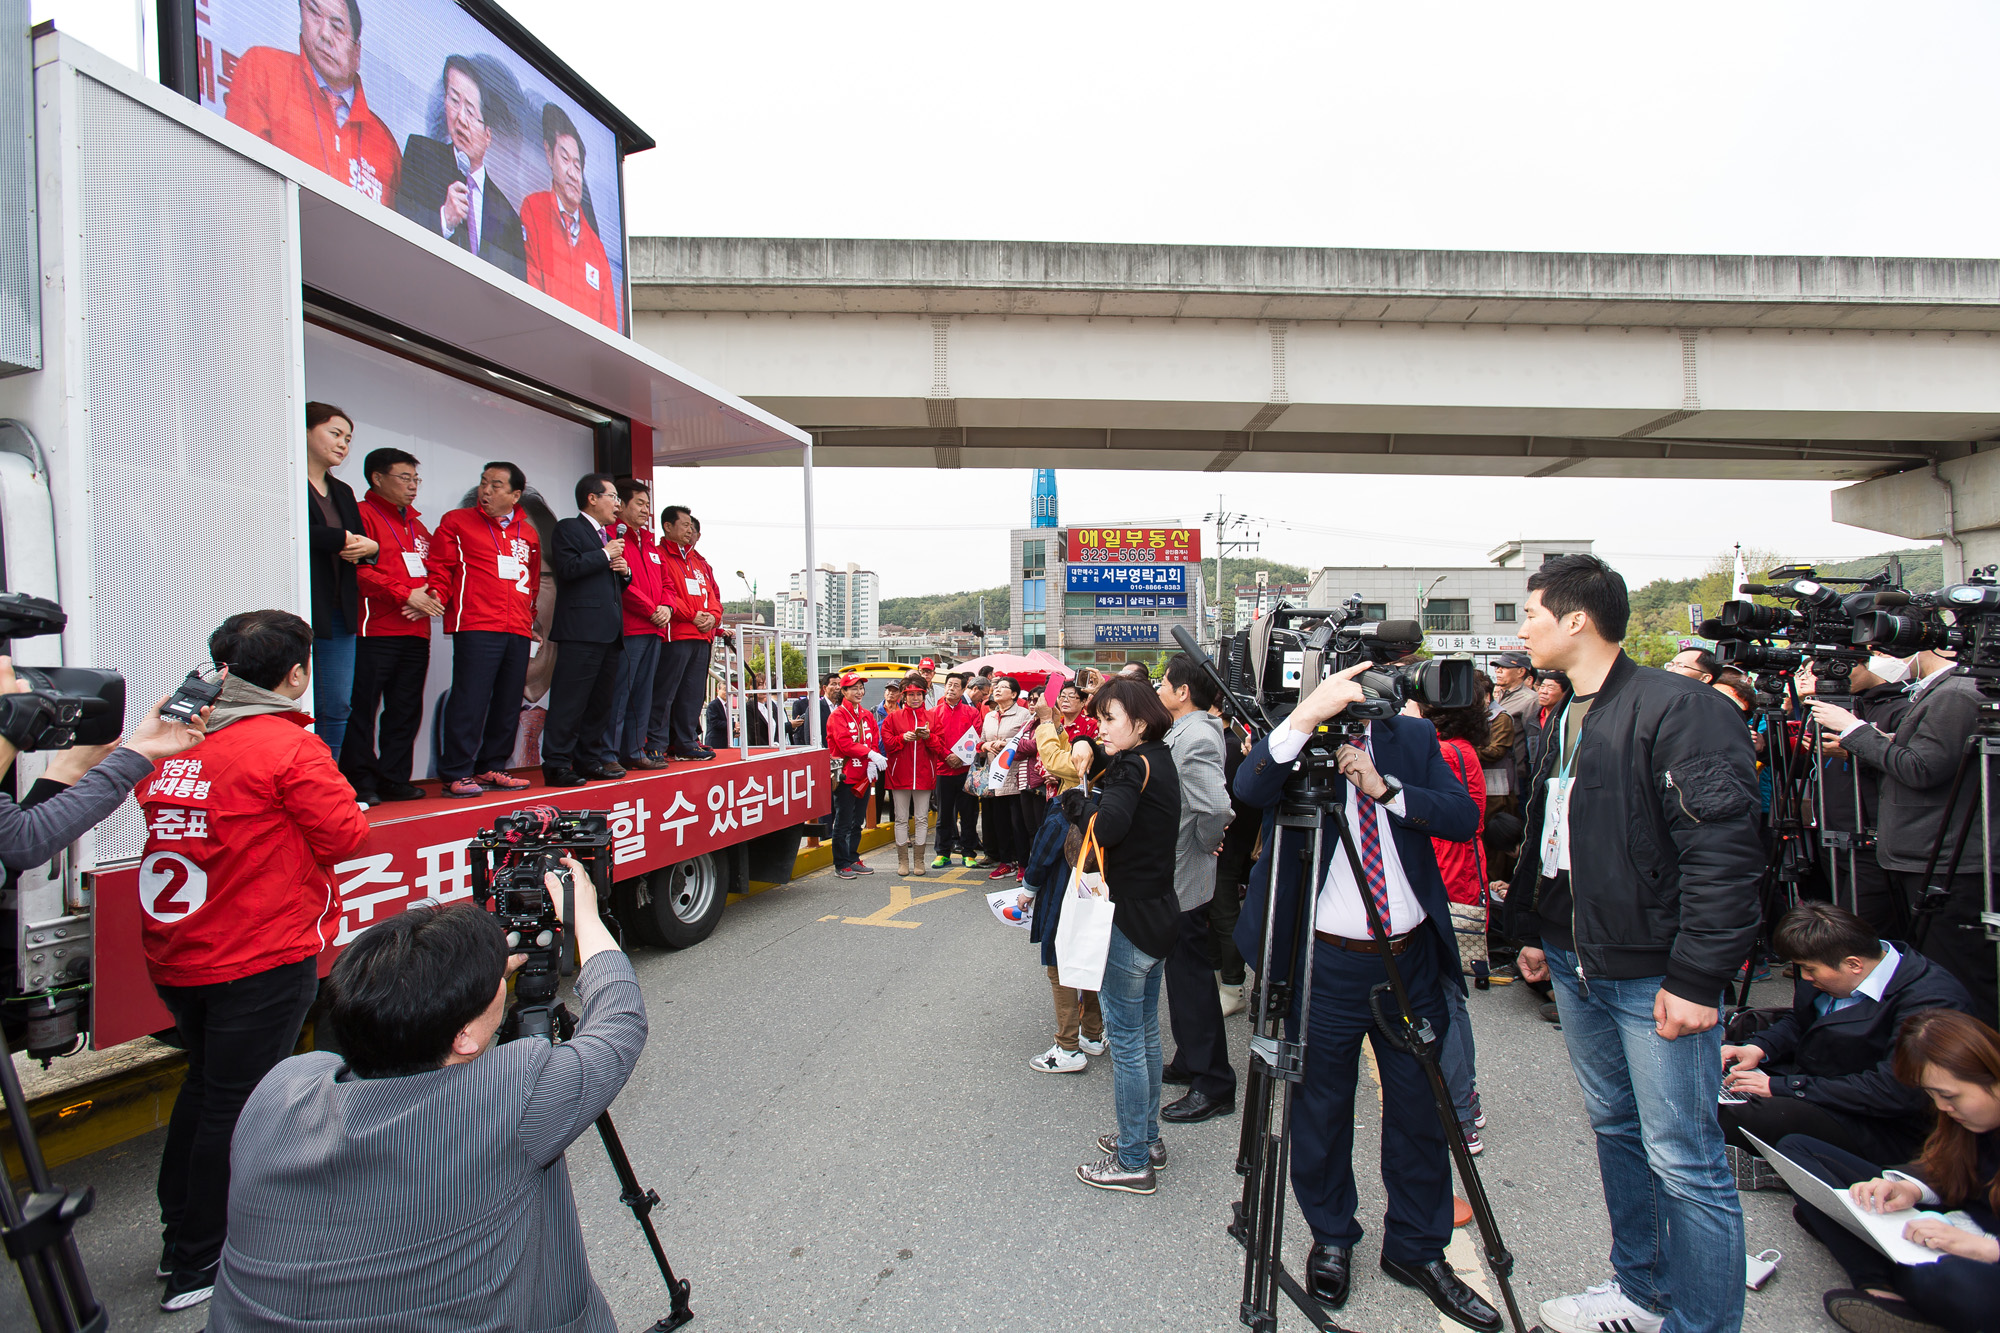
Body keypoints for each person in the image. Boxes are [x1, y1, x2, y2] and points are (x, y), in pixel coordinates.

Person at [206, 870, 645, 1332]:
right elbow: (620, 1024)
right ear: (465, 1037)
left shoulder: (280, 1090)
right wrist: (587, 921)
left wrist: (466, 981)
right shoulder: (511, 1099)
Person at [1506, 554, 1763, 1333]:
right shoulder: (1567, 714)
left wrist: (1695, 977)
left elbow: (1723, 853)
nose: (1522, 628)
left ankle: (1702, 1321)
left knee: (1688, 1161)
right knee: (1618, 1130)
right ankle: (1641, 1289)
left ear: (1576, 618)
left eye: (1530, 613)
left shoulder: (1679, 707)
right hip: (1578, 959)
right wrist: (1536, 930)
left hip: (1655, 974)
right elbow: (1554, 837)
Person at [1234, 659, 1494, 1332]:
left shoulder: (1410, 740)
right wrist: (1304, 716)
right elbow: (1249, 786)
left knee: (1420, 1110)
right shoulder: (1295, 741)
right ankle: (1331, 1235)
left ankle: (1417, 1247)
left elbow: (1462, 817)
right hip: (1326, 963)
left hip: (1407, 957)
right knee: (1321, 1109)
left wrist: (1385, 789)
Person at [140, 610, 373, 1311]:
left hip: (181, 950)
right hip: (257, 949)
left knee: (206, 1088)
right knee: (237, 1106)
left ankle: (180, 1229)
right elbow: (347, 834)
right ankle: (199, 1261)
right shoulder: (285, 745)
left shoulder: (177, 737)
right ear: (297, 673)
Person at [1718, 900, 1969, 1188]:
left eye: (1808, 969)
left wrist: (1783, 1088)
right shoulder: (1832, 968)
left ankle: (1813, 1167)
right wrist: (1759, 1048)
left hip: (1877, 1119)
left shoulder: (1931, 1001)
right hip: (1819, 1081)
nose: (1804, 978)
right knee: (1714, 1082)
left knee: (1748, 1113)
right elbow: (1801, 1021)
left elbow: (1894, 1091)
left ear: (1854, 964)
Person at [1810, 649, 2000, 1028]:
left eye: (1879, 644)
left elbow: (1922, 768)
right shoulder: (1938, 690)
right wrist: (1872, 742)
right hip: (1922, 854)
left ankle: (1968, 1066)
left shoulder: (1957, 693)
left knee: (1957, 977)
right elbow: (1927, 753)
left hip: (1945, 857)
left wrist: (1853, 730)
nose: (1878, 651)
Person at [1781, 1009, 2000, 1333]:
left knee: (1951, 1281)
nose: (1942, 1107)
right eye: (1932, 1095)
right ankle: (1881, 1284)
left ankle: (1867, 1262)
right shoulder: (1966, 1120)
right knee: (1799, 1150)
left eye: (1950, 1096)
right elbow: (1948, 1168)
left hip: (1979, 1256)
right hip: (1950, 1225)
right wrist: (1909, 1187)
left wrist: (1984, 1248)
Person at [1062, 676, 1182, 1193]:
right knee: (1147, 1035)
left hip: (1128, 919)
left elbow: (1108, 828)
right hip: (1158, 913)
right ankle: (1146, 1136)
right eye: (1099, 719)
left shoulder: (1134, 765)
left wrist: (1077, 804)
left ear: (1138, 720)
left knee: (1129, 1042)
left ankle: (1134, 1159)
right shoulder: (1157, 757)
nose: (1100, 728)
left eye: (1109, 719)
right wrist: (1092, 747)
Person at [1154, 654, 1236, 1124]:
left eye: (1165, 683)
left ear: (1184, 691)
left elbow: (1217, 809)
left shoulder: (1199, 734)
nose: (1162, 690)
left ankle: (1214, 1081)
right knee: (1181, 975)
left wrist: (1208, 846)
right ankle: (1191, 1060)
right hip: (1176, 871)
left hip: (1184, 873)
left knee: (1191, 981)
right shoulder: (1184, 730)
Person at [427, 462, 539, 798]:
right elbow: (440, 567)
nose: (486, 491)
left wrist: (529, 617)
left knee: (508, 701)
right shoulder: (457, 522)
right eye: (483, 483)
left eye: (496, 485)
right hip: (476, 623)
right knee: (470, 699)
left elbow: (531, 581)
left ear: (515, 495)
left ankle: (492, 765)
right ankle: (457, 771)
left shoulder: (528, 533)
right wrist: (435, 595)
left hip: (517, 627)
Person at [222, 0, 401, 206]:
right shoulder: (263, 71)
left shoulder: (385, 144)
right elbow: (241, 183)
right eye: (314, 13)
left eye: (337, 27)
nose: (324, 34)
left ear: (357, 52)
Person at [1414, 692, 1491, 1152]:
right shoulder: (1463, 748)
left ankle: (1459, 1111)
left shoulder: (1442, 751)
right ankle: (1467, 1099)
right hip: (1460, 872)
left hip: (1447, 877)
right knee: (1451, 995)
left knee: (1444, 997)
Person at [342, 447, 441, 802]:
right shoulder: (361, 515)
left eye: (416, 479)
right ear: (377, 478)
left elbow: (436, 570)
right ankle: (360, 781)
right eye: (405, 478)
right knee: (363, 710)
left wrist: (430, 594)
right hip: (375, 631)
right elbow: (360, 571)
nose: (413, 486)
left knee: (405, 709)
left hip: (416, 632)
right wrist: (405, 596)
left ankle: (394, 777)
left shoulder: (418, 525)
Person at [393, 56, 527, 280]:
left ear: (488, 135)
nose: (460, 119)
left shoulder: (509, 217)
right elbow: (399, 229)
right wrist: (444, 220)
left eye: (472, 112)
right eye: (454, 101)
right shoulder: (421, 155)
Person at [540, 474, 632, 787]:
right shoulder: (569, 528)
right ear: (592, 498)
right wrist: (606, 555)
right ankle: (556, 764)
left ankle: (589, 759)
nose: (617, 504)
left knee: (599, 703)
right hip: (580, 633)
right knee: (570, 701)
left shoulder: (607, 538)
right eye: (613, 496)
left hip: (608, 633)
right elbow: (568, 569)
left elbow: (609, 581)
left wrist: (624, 571)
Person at [1810, 655, 1912, 935]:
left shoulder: (1902, 706)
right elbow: (1811, 769)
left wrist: (1856, 748)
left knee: (1865, 929)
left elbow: (1911, 767)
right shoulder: (1832, 708)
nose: (1823, 677)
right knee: (1842, 918)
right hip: (1833, 830)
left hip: (1871, 836)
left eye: (1829, 668)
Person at [303, 402, 377, 759]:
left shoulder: (344, 491)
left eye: (348, 439)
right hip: (299, 607)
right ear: (304, 430)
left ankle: (327, 780)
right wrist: (341, 541)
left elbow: (360, 541)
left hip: (338, 609)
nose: (343, 445)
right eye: (335, 434)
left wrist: (371, 545)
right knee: (299, 703)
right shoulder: (280, 480)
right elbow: (293, 530)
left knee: (336, 705)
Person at [520, 104, 620, 330]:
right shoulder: (533, 210)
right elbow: (529, 286)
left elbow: (610, 330)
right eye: (565, 159)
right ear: (548, 154)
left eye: (578, 165)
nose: (573, 174)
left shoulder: (597, 249)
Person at [603, 478, 668, 770]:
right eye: (640, 504)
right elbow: (619, 583)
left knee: (643, 694)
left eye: (648, 505)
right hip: (629, 628)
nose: (646, 510)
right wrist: (650, 608)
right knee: (619, 694)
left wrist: (668, 606)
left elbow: (667, 583)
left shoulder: (650, 543)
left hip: (654, 628)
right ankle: (609, 753)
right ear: (621, 505)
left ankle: (635, 749)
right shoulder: (612, 537)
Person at [648, 506, 721, 762]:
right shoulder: (658, 556)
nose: (690, 529)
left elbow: (713, 596)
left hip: (702, 636)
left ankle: (686, 743)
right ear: (668, 526)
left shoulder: (698, 562)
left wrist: (713, 616)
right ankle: (656, 743)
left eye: (692, 525)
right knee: (666, 693)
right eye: (685, 524)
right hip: (675, 635)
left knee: (692, 695)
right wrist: (691, 615)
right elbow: (665, 593)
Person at [825, 675, 884, 878]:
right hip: (844, 775)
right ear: (844, 692)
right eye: (853, 688)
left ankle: (852, 857)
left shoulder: (867, 715)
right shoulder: (837, 716)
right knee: (842, 820)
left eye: (860, 688)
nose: (859, 692)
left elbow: (874, 739)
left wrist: (872, 761)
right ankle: (840, 863)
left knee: (857, 820)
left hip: (864, 775)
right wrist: (870, 754)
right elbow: (844, 745)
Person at [978, 676, 1035, 880]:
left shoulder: (1024, 714)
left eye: (1004, 687)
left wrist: (1006, 743)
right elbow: (982, 741)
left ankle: (1023, 864)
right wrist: (985, 746)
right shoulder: (990, 716)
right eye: (997, 686)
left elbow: (1028, 741)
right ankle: (1005, 862)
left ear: (1014, 694)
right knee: (999, 822)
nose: (998, 690)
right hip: (995, 776)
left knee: (1018, 823)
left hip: (1016, 775)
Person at [884, 673, 938, 876]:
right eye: (911, 694)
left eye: (919, 694)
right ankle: (903, 861)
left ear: (924, 695)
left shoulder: (932, 717)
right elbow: (887, 744)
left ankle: (920, 861)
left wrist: (929, 737)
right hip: (900, 775)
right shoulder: (893, 717)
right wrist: (902, 738)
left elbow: (940, 746)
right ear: (904, 696)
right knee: (901, 818)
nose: (915, 698)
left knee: (922, 818)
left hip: (924, 775)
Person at [928, 672, 982, 868]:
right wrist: (946, 756)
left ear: (962, 689)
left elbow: (975, 736)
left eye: (955, 685)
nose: (951, 688)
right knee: (944, 815)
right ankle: (942, 852)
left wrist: (959, 757)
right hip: (943, 770)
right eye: (949, 684)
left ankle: (968, 852)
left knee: (969, 813)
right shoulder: (933, 712)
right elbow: (932, 739)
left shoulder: (972, 713)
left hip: (965, 770)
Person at [1486, 650, 1537, 814]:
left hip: (1517, 777)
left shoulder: (1530, 700)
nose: (1498, 671)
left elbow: (1533, 740)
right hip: (1494, 770)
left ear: (1521, 671)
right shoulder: (1496, 695)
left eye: (1504, 667)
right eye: (1497, 667)